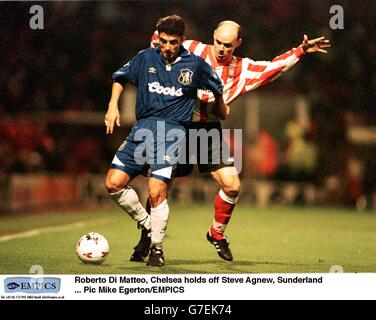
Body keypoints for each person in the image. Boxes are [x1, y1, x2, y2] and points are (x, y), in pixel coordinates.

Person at [138, 20, 330, 262]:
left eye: (228, 45)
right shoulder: (190, 48)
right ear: (213, 36)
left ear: (238, 43)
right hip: (175, 127)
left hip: (208, 133)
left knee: (232, 186)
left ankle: (216, 233)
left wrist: (300, 51)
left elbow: (273, 68)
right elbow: (159, 43)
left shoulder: (243, 69)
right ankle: (147, 236)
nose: (221, 49)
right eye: (218, 42)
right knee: (161, 187)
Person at [104, 15, 227, 266]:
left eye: (173, 42)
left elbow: (217, 85)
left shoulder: (196, 65)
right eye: (163, 41)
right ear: (157, 38)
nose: (167, 47)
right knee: (113, 183)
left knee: (156, 191)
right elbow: (120, 77)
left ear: (182, 40)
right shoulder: (145, 57)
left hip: (172, 132)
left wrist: (221, 106)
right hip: (141, 130)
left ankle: (157, 249)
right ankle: (148, 224)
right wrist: (112, 106)